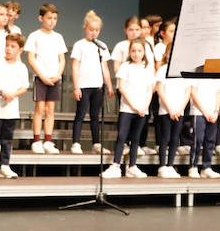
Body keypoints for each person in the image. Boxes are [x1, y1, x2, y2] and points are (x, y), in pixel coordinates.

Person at [103, 38, 156, 178]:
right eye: (133, 51)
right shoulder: (125, 66)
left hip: (143, 109)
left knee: (136, 138)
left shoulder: (148, 68)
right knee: (122, 136)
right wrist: (133, 105)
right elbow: (121, 87)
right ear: (129, 52)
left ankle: (132, 166)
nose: (136, 54)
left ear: (144, 52)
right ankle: (115, 165)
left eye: (139, 51)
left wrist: (144, 106)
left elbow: (150, 89)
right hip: (127, 109)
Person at [0, 33, 29, 178]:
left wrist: (13, 95)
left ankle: (5, 165)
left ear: (20, 49)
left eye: (13, 46)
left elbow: (24, 87)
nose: (8, 49)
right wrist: (2, 92)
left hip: (11, 109)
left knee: (7, 138)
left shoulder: (21, 67)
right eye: (7, 45)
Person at [25, 3, 66, 153]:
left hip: (54, 78)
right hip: (41, 78)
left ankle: (48, 141)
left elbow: (62, 59)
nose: (52, 21)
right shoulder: (34, 36)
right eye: (49, 18)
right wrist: (42, 76)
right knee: (40, 108)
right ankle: (37, 141)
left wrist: (58, 75)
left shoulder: (58, 37)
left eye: (55, 18)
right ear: (41, 18)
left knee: (50, 109)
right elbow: (31, 58)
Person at [70, 11, 112, 153]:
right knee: (80, 114)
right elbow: (75, 66)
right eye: (91, 30)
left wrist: (110, 86)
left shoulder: (102, 46)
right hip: (83, 86)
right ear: (85, 29)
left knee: (96, 116)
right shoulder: (79, 45)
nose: (94, 33)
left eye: (97, 30)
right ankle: (76, 142)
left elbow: (105, 67)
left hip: (98, 86)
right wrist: (76, 87)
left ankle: (96, 143)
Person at [188, 76, 220, 178]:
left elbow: (218, 95)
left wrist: (216, 112)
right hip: (199, 112)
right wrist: (204, 112)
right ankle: (193, 167)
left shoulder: (215, 77)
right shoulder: (196, 76)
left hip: (212, 113)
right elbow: (193, 94)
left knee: (210, 140)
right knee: (197, 140)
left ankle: (206, 167)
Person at [155, 73, 190, 178]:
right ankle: (162, 166)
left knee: (175, 139)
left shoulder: (185, 72)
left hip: (179, 111)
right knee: (165, 138)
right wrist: (170, 108)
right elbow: (160, 90)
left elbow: (188, 92)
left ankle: (170, 165)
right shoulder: (163, 69)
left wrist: (180, 109)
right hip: (166, 110)